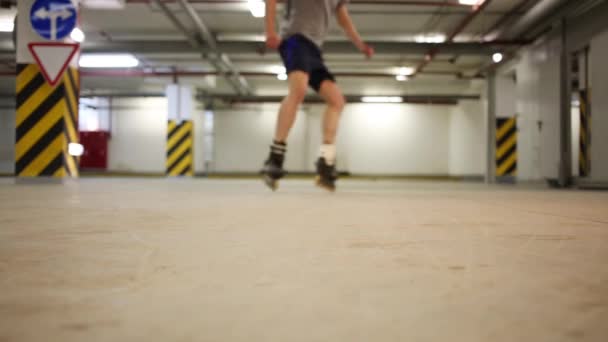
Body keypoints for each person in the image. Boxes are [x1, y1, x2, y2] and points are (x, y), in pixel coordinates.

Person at [261, 0, 374, 191]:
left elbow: (344, 20)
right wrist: (270, 31)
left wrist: (360, 44)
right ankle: (275, 157)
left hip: (314, 49)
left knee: (337, 100)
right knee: (299, 89)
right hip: (295, 39)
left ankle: (326, 161)